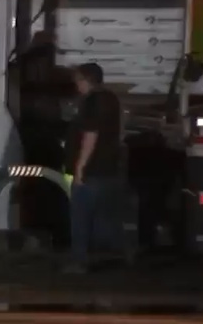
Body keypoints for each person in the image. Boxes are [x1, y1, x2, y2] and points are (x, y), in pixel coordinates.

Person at [62, 62, 128, 274]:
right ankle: (113, 258)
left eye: (78, 81)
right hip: (110, 168)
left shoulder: (92, 102)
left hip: (92, 171)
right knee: (106, 218)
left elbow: (91, 135)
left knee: (81, 217)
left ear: (86, 80)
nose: (76, 85)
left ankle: (80, 261)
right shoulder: (111, 99)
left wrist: (80, 166)